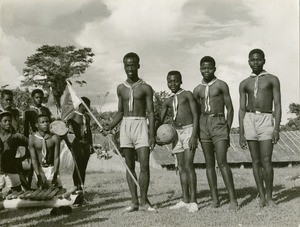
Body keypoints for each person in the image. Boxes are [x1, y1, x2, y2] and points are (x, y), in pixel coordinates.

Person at [104, 52, 155, 212]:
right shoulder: (120, 88)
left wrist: (152, 134)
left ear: (138, 65)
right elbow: (120, 112)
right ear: (124, 66)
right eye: (127, 65)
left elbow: (151, 113)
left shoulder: (146, 88)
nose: (130, 68)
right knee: (129, 166)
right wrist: (109, 126)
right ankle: (134, 202)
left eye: (133, 65)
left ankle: (144, 202)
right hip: (126, 126)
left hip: (141, 125)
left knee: (145, 166)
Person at [193, 56, 238, 210]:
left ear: (215, 68)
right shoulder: (197, 90)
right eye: (204, 68)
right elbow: (195, 112)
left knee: (222, 161)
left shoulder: (221, 85)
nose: (207, 71)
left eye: (210, 68)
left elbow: (230, 109)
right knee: (209, 164)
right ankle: (215, 200)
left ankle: (233, 200)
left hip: (219, 123)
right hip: (203, 124)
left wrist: (227, 127)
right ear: (200, 69)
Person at [239, 49, 281, 208]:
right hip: (249, 119)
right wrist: (241, 132)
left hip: (266, 118)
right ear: (248, 61)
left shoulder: (272, 79)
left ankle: (270, 197)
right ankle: (262, 196)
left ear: (264, 60)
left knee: (266, 160)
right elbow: (242, 109)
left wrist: (276, 128)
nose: (255, 63)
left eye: (258, 60)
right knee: (255, 161)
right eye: (252, 60)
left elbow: (277, 104)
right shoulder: (244, 83)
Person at [158, 70, 198, 212]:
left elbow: (195, 115)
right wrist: (157, 136)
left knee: (189, 165)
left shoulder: (187, 94)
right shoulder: (168, 101)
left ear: (181, 81)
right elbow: (160, 120)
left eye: (175, 81)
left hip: (188, 130)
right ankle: (185, 199)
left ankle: (194, 201)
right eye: (170, 81)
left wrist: (194, 135)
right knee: (180, 167)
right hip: (175, 134)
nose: (172, 83)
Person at [67, 97, 93, 192]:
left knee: (84, 166)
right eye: (87, 105)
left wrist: (91, 145)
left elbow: (89, 132)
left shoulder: (87, 117)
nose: (89, 107)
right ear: (81, 104)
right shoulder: (73, 115)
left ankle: (82, 186)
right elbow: (64, 125)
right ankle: (76, 186)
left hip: (86, 144)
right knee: (78, 165)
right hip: (78, 143)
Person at [29, 114, 62, 189]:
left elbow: (56, 158)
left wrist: (55, 175)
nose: (45, 124)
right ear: (36, 125)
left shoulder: (55, 138)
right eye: (42, 122)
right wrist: (38, 175)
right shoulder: (32, 139)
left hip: (52, 168)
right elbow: (34, 160)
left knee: (57, 192)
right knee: (37, 195)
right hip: (39, 169)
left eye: (47, 121)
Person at [0, 111, 28, 193]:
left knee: (17, 195)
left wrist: (23, 157)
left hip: (12, 170)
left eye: (10, 121)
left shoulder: (16, 136)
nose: (8, 123)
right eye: (5, 121)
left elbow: (32, 144)